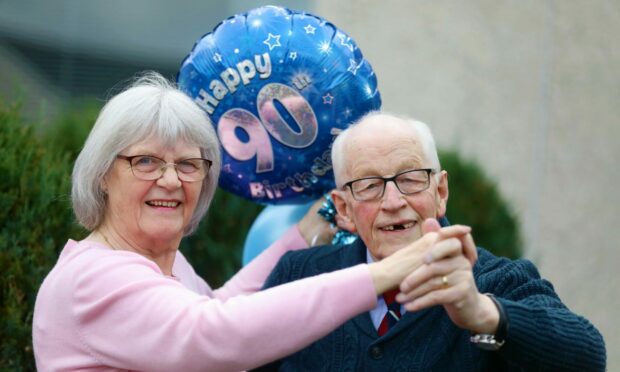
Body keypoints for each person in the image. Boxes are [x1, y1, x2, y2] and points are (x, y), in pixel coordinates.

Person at [32, 72, 474, 371]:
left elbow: (218, 306)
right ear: (103, 174)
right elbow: (219, 333)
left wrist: (307, 230)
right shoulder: (95, 278)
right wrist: (390, 270)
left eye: (189, 164)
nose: (170, 180)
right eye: (146, 161)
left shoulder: (162, 266)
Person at [260, 112, 607, 371]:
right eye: (368, 185)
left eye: (410, 179)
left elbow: (588, 357)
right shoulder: (299, 275)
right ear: (344, 209)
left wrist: (482, 312)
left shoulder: (496, 280)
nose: (393, 202)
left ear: (440, 192)